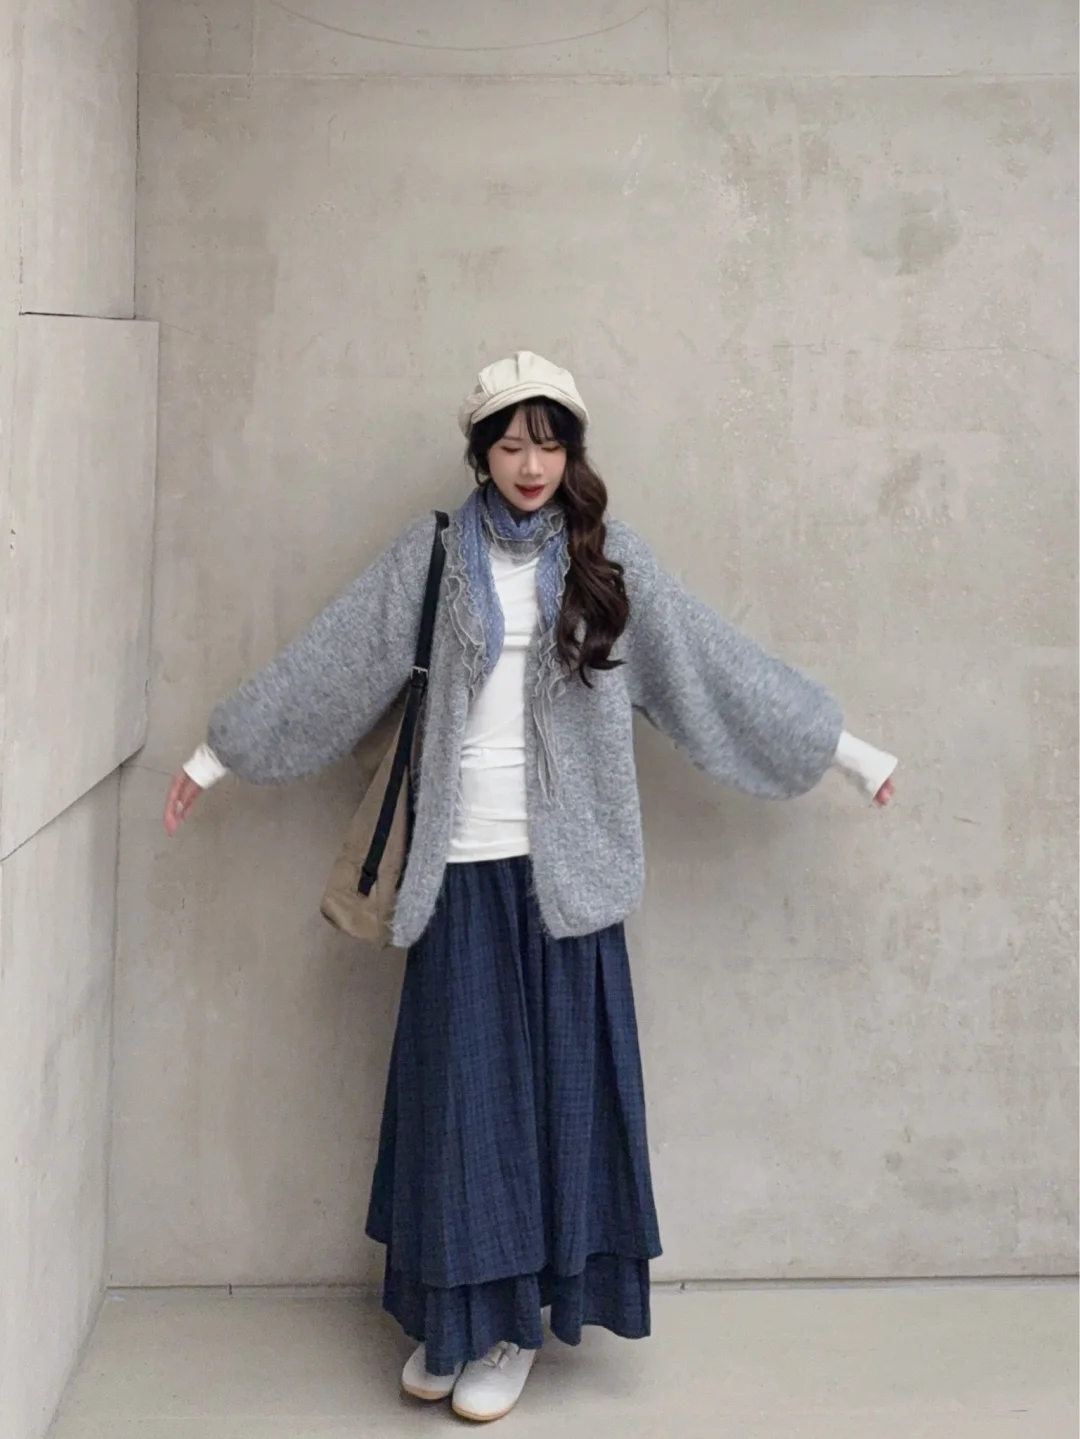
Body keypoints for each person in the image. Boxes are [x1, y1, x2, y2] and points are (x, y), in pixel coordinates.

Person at [165, 351, 897, 1424]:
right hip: (456, 871)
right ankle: (457, 1318)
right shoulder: (432, 560)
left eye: (549, 443)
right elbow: (329, 664)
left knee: (546, 1115)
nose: (530, 464)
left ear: (572, 453)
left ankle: (511, 1330)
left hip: (567, 882)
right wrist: (215, 754)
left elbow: (714, 668)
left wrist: (848, 751)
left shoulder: (608, 565)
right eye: (510, 443)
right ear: (480, 453)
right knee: (463, 1113)